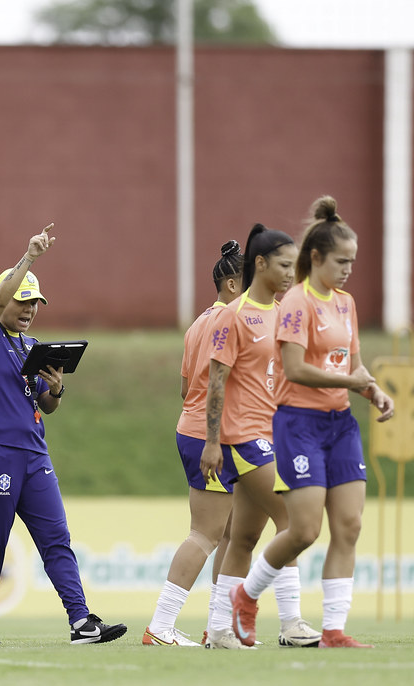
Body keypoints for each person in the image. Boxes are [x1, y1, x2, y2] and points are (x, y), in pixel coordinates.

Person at [231, 197, 393, 649]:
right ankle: (245, 595)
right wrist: (349, 378)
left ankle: (334, 630)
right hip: (298, 423)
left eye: (353, 263)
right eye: (341, 261)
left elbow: (353, 367)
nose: (348, 270)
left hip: (340, 423)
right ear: (316, 257)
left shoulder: (346, 304)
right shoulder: (298, 302)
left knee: (349, 527)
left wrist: (373, 390)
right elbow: (296, 368)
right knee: (303, 530)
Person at [0, 224, 126, 646]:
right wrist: (30, 256)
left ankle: (81, 622)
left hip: (34, 455)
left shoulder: (31, 346)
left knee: (57, 539)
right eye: (23, 299)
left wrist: (55, 389)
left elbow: (46, 405)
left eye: (35, 302)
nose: (31, 308)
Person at [200, 224, 323, 650]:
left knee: (245, 538)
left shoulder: (286, 312)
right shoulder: (232, 316)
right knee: (293, 520)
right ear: (261, 264)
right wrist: (212, 441)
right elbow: (217, 381)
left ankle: (218, 629)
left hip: (276, 435)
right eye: (285, 264)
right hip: (243, 438)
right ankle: (290, 623)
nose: (293, 272)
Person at [142, 240, 242, 647]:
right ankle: (161, 626)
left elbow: (186, 388)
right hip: (210, 435)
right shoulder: (235, 320)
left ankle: (219, 626)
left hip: (197, 428)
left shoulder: (200, 321)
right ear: (234, 284)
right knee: (205, 533)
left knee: (235, 533)